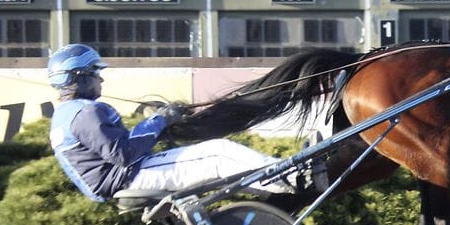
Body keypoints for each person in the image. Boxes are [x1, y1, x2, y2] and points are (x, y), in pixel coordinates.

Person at [48, 43, 294, 202]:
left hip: (119, 178)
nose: (101, 79)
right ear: (80, 77)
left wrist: (159, 124)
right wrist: (159, 120)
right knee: (219, 153)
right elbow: (123, 153)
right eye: (96, 72)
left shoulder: (64, 115)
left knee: (226, 171)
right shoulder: (85, 113)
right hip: (128, 176)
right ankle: (294, 177)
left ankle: (285, 188)